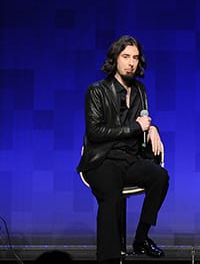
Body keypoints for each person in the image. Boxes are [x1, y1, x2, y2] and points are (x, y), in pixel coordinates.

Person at [77, 35, 170, 263]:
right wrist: (134, 128)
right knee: (112, 197)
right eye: (126, 56)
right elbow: (95, 132)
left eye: (135, 58)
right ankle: (109, 258)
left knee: (160, 177)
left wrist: (153, 128)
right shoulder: (96, 91)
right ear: (115, 59)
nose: (131, 62)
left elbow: (144, 121)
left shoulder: (140, 90)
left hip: (129, 158)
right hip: (102, 159)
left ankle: (141, 239)